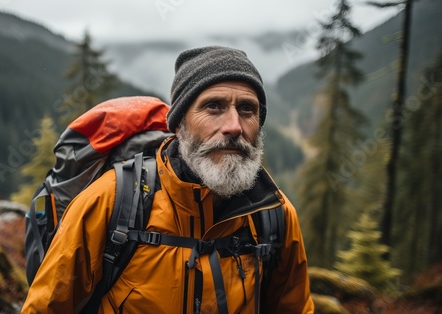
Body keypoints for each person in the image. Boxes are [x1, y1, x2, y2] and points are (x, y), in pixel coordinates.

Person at [21, 45, 314, 313]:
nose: (234, 126)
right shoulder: (109, 203)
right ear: (179, 125)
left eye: (247, 109)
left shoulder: (274, 215)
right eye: (214, 106)